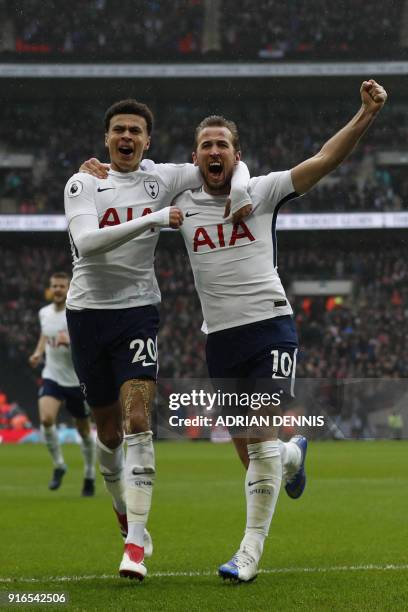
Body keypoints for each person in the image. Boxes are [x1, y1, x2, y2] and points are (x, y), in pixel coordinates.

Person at [80, 79, 387, 582]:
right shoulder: (182, 202)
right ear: (195, 157)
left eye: (223, 144)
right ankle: (293, 454)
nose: (214, 151)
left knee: (260, 440)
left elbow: (324, 160)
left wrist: (365, 114)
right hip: (220, 340)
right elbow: (130, 178)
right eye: (206, 145)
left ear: (236, 154)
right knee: (249, 451)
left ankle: (248, 554)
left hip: (271, 327)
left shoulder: (262, 190)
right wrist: (95, 170)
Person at [64, 98, 251, 580]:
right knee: (106, 435)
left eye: (135, 131)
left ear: (148, 141)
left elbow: (226, 164)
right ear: (106, 138)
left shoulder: (162, 177)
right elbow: (86, 244)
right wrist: (152, 218)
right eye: (118, 130)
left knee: (138, 419)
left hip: (138, 313)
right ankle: (128, 519)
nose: (126, 137)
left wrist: (245, 183)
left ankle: (134, 548)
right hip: (86, 316)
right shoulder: (83, 182)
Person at [29, 272, 96, 496]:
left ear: (69, 288)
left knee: (84, 432)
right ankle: (59, 465)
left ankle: (89, 475)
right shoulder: (44, 313)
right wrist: (38, 353)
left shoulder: (77, 313)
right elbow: (44, 335)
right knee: (47, 419)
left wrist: (72, 343)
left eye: (61, 286)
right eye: (54, 286)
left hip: (76, 381)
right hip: (53, 376)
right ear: (50, 288)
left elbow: (91, 345)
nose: (57, 289)